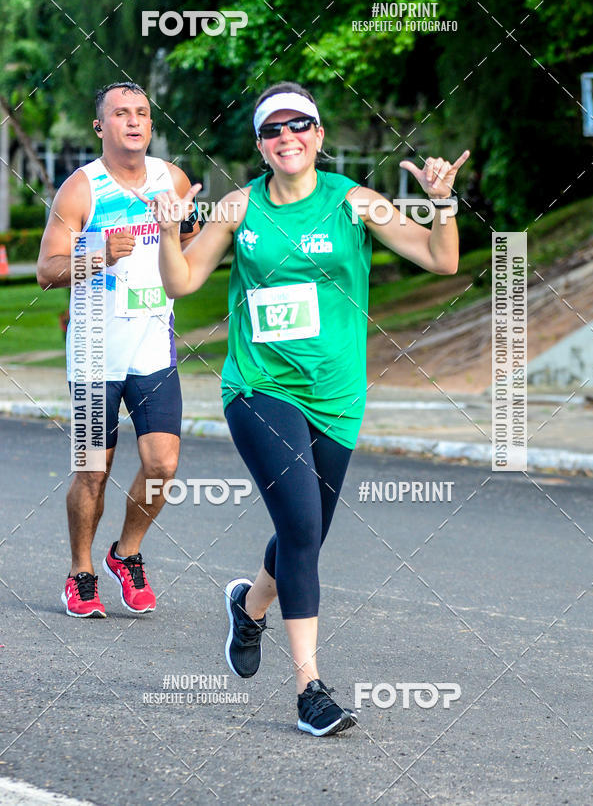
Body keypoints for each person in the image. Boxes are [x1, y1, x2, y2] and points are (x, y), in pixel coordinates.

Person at [139, 81, 469, 735]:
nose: (287, 137)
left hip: (338, 397)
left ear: (318, 136)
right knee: (299, 528)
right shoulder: (240, 207)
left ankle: (250, 608)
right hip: (260, 389)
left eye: (300, 126)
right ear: (261, 146)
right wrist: (170, 232)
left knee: (309, 532)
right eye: (273, 130)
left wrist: (443, 204)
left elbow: (442, 258)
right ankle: (309, 690)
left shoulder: (353, 203)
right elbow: (181, 282)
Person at [36, 81, 200, 618]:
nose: (133, 121)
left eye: (142, 114)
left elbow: (191, 249)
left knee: (163, 463)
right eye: (120, 113)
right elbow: (45, 272)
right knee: (91, 471)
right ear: (99, 126)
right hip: (93, 352)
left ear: (151, 126)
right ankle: (80, 571)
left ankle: (125, 552)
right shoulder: (81, 190)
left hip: (152, 346)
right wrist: (99, 255)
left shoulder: (169, 180)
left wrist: (181, 236)